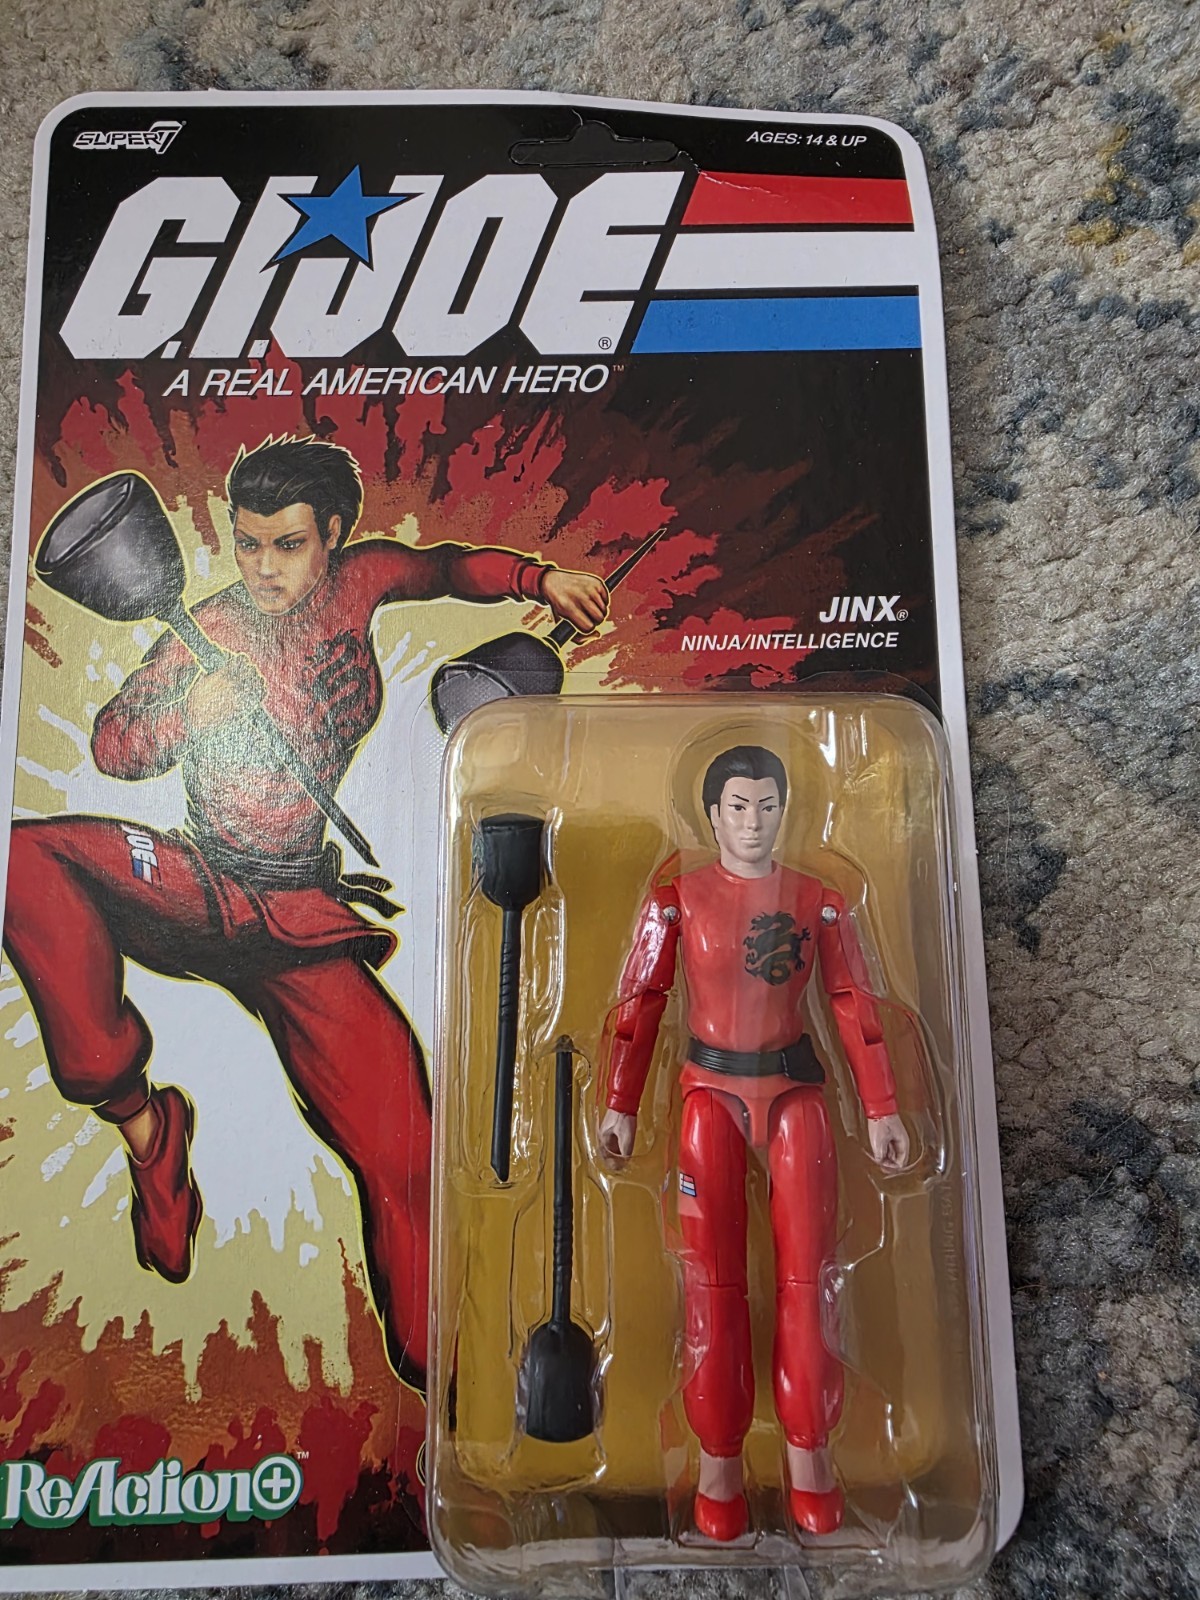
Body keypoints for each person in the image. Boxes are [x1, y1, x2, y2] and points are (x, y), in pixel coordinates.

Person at [4, 434, 609, 1390]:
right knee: (25, 859)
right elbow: (115, 744)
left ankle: (444, 1382)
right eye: (248, 544)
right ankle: (145, 1127)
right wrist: (189, 713)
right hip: (199, 887)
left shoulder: (363, 580)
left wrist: (541, 580)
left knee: (406, 1151)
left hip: (298, 916)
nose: (264, 568)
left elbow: (447, 568)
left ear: (332, 534)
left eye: (287, 545)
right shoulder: (206, 627)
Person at [599, 745, 909, 1539]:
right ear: (712, 814)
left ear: (785, 810)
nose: (753, 821)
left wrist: (882, 1107)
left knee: (810, 1279)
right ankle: (718, 1468)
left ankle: (811, 1459)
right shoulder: (677, 900)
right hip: (708, 1094)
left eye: (767, 806)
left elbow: (854, 1004)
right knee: (712, 1283)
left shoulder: (818, 901)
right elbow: (640, 1002)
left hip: (795, 1092)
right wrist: (620, 1103)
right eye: (738, 806)